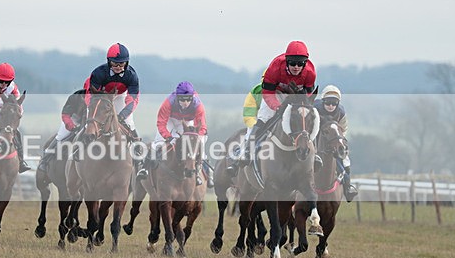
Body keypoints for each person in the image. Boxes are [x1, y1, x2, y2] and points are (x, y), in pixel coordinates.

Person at [226, 41, 316, 175]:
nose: (296, 67)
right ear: (286, 61)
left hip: (296, 96)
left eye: (300, 64)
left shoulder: (310, 72)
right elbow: (267, 93)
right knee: (263, 119)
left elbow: (308, 94)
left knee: (309, 118)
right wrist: (277, 107)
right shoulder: (275, 67)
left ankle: (316, 154)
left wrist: (301, 104)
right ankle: (245, 153)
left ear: (305, 63)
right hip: (274, 93)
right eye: (292, 63)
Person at [137, 81, 213, 187]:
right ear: (177, 97)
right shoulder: (168, 102)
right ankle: (144, 169)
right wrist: (168, 137)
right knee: (157, 144)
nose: (185, 102)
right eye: (182, 99)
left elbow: (202, 125)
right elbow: (161, 123)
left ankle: (203, 173)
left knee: (196, 146)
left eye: (188, 99)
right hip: (170, 120)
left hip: (186, 122)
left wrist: (198, 137)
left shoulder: (198, 105)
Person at [85, 42, 141, 142]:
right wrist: (93, 107)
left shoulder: (132, 76)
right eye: (115, 63)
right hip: (101, 97)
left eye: (121, 63)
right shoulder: (98, 73)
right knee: (89, 123)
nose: (118, 66)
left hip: (120, 96)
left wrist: (122, 115)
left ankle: (136, 146)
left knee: (129, 122)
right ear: (109, 61)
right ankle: (77, 149)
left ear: (126, 63)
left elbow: (133, 99)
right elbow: (90, 95)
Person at [315, 85, 357, 201]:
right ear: (323, 101)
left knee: (345, 160)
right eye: (328, 102)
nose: (331, 106)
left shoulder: (341, 113)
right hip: (315, 135)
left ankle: (348, 187)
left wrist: (338, 142)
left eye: (334, 103)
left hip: (333, 138)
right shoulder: (315, 108)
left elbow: (343, 129)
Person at [36, 87, 87, 173]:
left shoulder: (100, 97)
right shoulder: (76, 97)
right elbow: (65, 114)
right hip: (73, 119)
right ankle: (45, 160)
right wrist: (71, 125)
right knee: (61, 136)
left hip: (88, 122)